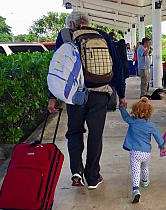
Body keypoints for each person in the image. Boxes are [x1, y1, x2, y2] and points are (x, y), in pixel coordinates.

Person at [47, 11, 127, 189]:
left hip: (76, 96)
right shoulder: (103, 35)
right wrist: (121, 94)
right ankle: (93, 176)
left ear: (72, 24)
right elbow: (118, 66)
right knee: (95, 135)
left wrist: (52, 97)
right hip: (100, 93)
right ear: (87, 23)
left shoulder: (67, 36)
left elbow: (58, 68)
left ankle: (76, 173)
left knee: (75, 132)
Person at [119, 97, 164, 203]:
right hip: (146, 152)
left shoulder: (132, 121)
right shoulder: (151, 125)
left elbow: (125, 116)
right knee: (145, 167)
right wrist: (162, 145)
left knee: (135, 171)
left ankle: (136, 189)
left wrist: (122, 108)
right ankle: (145, 181)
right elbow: (158, 137)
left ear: (135, 111)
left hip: (135, 152)